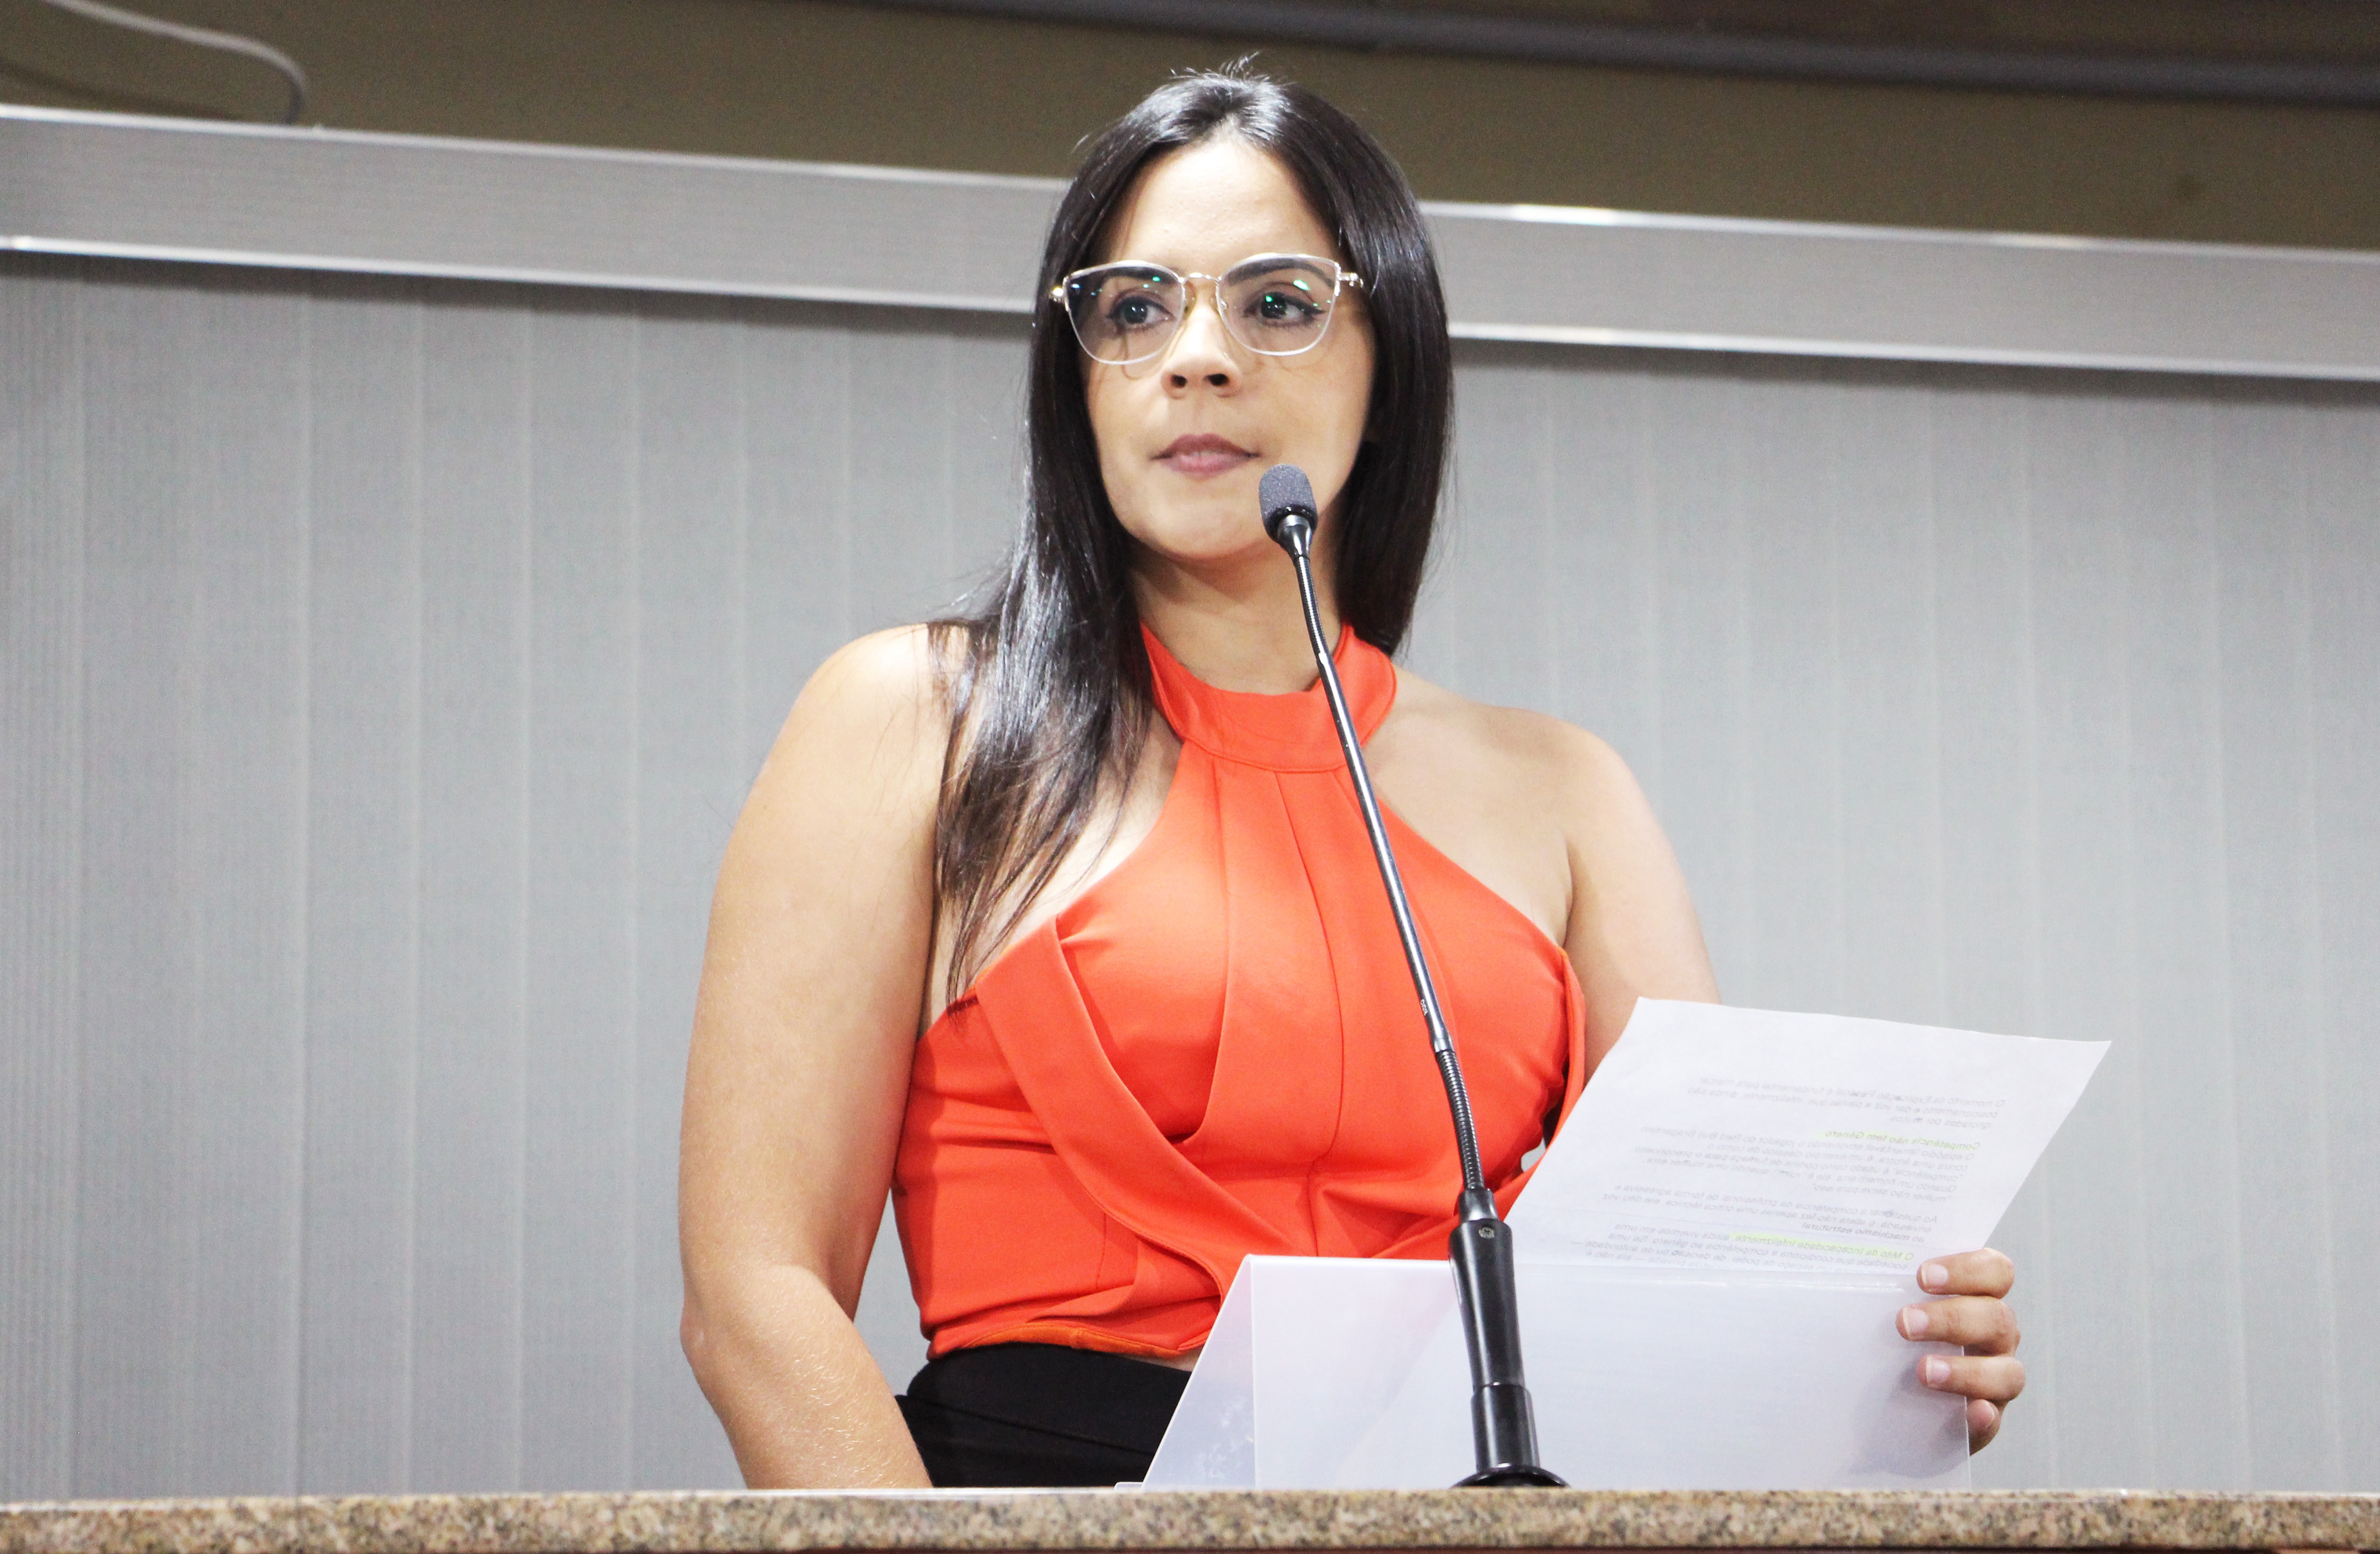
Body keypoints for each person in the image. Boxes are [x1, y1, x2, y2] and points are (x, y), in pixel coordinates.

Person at [676, 67, 2026, 1490]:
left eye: (1277, 303)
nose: (1198, 357)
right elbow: (757, 1292)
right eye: (1134, 309)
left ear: (1392, 368)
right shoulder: (918, 721)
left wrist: (1891, 1352)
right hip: (1046, 1505)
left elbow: (1700, 1288)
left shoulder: (1567, 795)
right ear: (1077, 379)